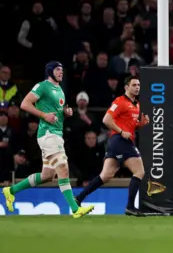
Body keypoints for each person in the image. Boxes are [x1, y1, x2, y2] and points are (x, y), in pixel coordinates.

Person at [2, 61, 94, 218]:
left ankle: (11, 190)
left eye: (62, 70)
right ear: (50, 71)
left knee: (47, 176)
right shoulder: (42, 86)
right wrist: (44, 115)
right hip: (47, 134)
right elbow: (25, 104)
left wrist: (66, 113)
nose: (61, 72)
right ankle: (75, 208)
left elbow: (56, 113)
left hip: (56, 134)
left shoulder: (60, 90)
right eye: (58, 69)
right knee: (63, 168)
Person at [74, 76, 149, 216]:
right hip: (120, 141)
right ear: (126, 87)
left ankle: (78, 198)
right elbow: (106, 119)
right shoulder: (120, 101)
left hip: (119, 142)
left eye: (138, 85)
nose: (137, 87)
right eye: (134, 85)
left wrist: (140, 125)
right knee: (139, 172)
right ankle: (130, 207)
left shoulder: (136, 104)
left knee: (106, 175)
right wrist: (121, 132)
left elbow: (129, 126)